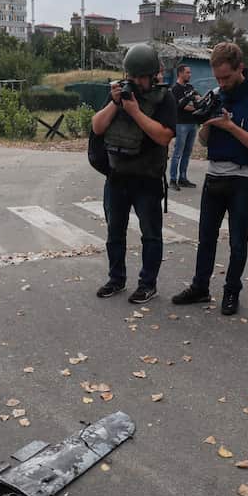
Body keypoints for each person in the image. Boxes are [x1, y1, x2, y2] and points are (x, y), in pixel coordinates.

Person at [171, 41, 248, 317]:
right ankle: (200, 286)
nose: (222, 83)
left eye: (226, 77)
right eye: (217, 78)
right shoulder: (217, 93)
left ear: (240, 68)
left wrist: (229, 126)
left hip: (243, 179)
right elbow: (204, 143)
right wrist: (207, 122)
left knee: (238, 241)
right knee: (206, 237)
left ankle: (231, 291)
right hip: (214, 176)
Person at [92, 43, 177, 304]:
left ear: (153, 75)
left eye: (142, 77)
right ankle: (116, 279)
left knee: (150, 235)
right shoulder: (120, 94)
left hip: (147, 179)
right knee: (114, 233)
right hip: (117, 177)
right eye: (133, 77)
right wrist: (115, 104)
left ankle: (147, 284)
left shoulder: (165, 98)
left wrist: (136, 113)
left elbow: (164, 136)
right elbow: (97, 127)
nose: (137, 82)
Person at [169, 63, 200, 191]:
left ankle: (183, 178)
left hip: (192, 123)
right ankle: (172, 179)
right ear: (180, 73)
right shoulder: (175, 89)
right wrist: (194, 106)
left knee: (187, 153)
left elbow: (198, 99)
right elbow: (182, 106)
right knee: (178, 152)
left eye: (190, 72)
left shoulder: (190, 87)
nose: (189, 75)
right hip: (181, 123)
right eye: (187, 72)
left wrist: (196, 104)